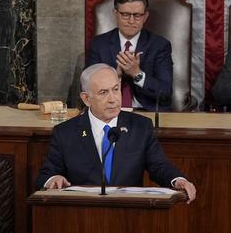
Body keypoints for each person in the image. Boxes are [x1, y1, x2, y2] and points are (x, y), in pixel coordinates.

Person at [36, 63, 196, 203]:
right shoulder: (66, 133)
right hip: (83, 216)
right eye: (103, 93)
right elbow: (46, 175)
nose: (113, 99)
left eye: (116, 89)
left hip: (129, 215)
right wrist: (53, 179)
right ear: (86, 99)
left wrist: (178, 180)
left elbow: (159, 166)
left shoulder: (140, 127)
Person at [88, 0, 173, 110]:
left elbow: (165, 92)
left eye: (137, 15)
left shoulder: (160, 45)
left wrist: (136, 73)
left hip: (146, 113)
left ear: (145, 16)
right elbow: (87, 87)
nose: (131, 21)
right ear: (115, 14)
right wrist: (115, 75)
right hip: (107, 112)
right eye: (125, 14)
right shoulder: (99, 44)